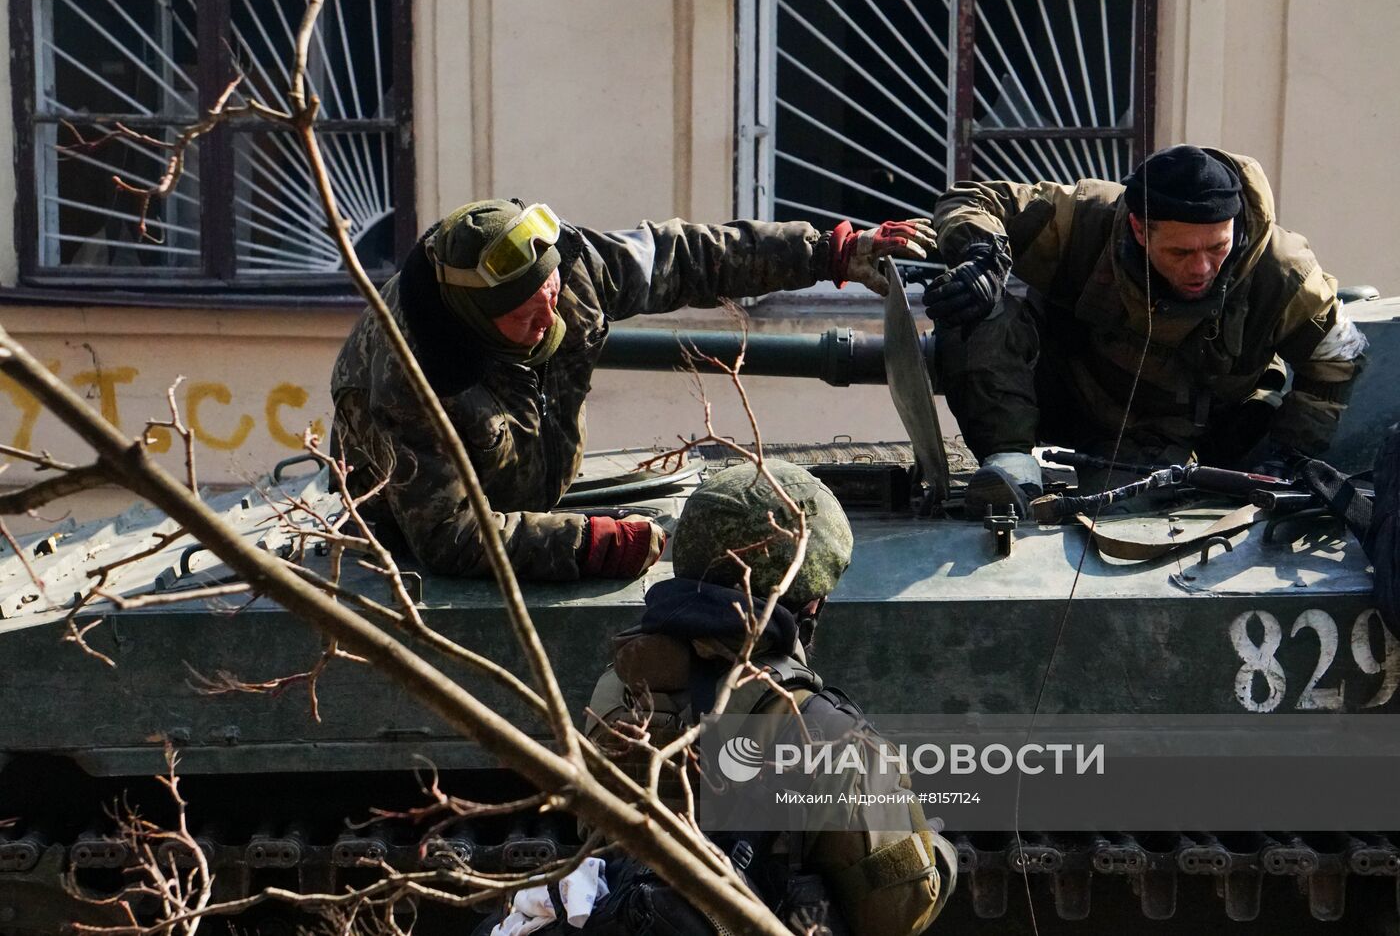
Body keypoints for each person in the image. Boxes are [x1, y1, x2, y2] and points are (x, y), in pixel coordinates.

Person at [331, 202, 935, 580]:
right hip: (407, 545)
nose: (550, 319)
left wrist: (829, 253)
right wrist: (589, 545)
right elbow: (451, 537)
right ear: (475, 320)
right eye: (525, 316)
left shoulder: (570, 272)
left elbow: (689, 256)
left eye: (551, 295)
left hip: (532, 492)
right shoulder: (406, 386)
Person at [583, 459, 956, 935]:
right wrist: (937, 854)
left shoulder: (618, 686)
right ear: (813, 601)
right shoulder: (826, 736)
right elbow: (897, 911)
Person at [920, 145, 1369, 517]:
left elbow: (1339, 356)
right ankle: (1011, 464)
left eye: (1217, 247)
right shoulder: (1086, 219)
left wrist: (1289, 455)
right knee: (972, 300)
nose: (1201, 268)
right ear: (1137, 227)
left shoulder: (1283, 271)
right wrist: (981, 255)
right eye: (1179, 251)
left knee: (1119, 519)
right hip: (1058, 392)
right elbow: (970, 199)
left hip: (1162, 437)